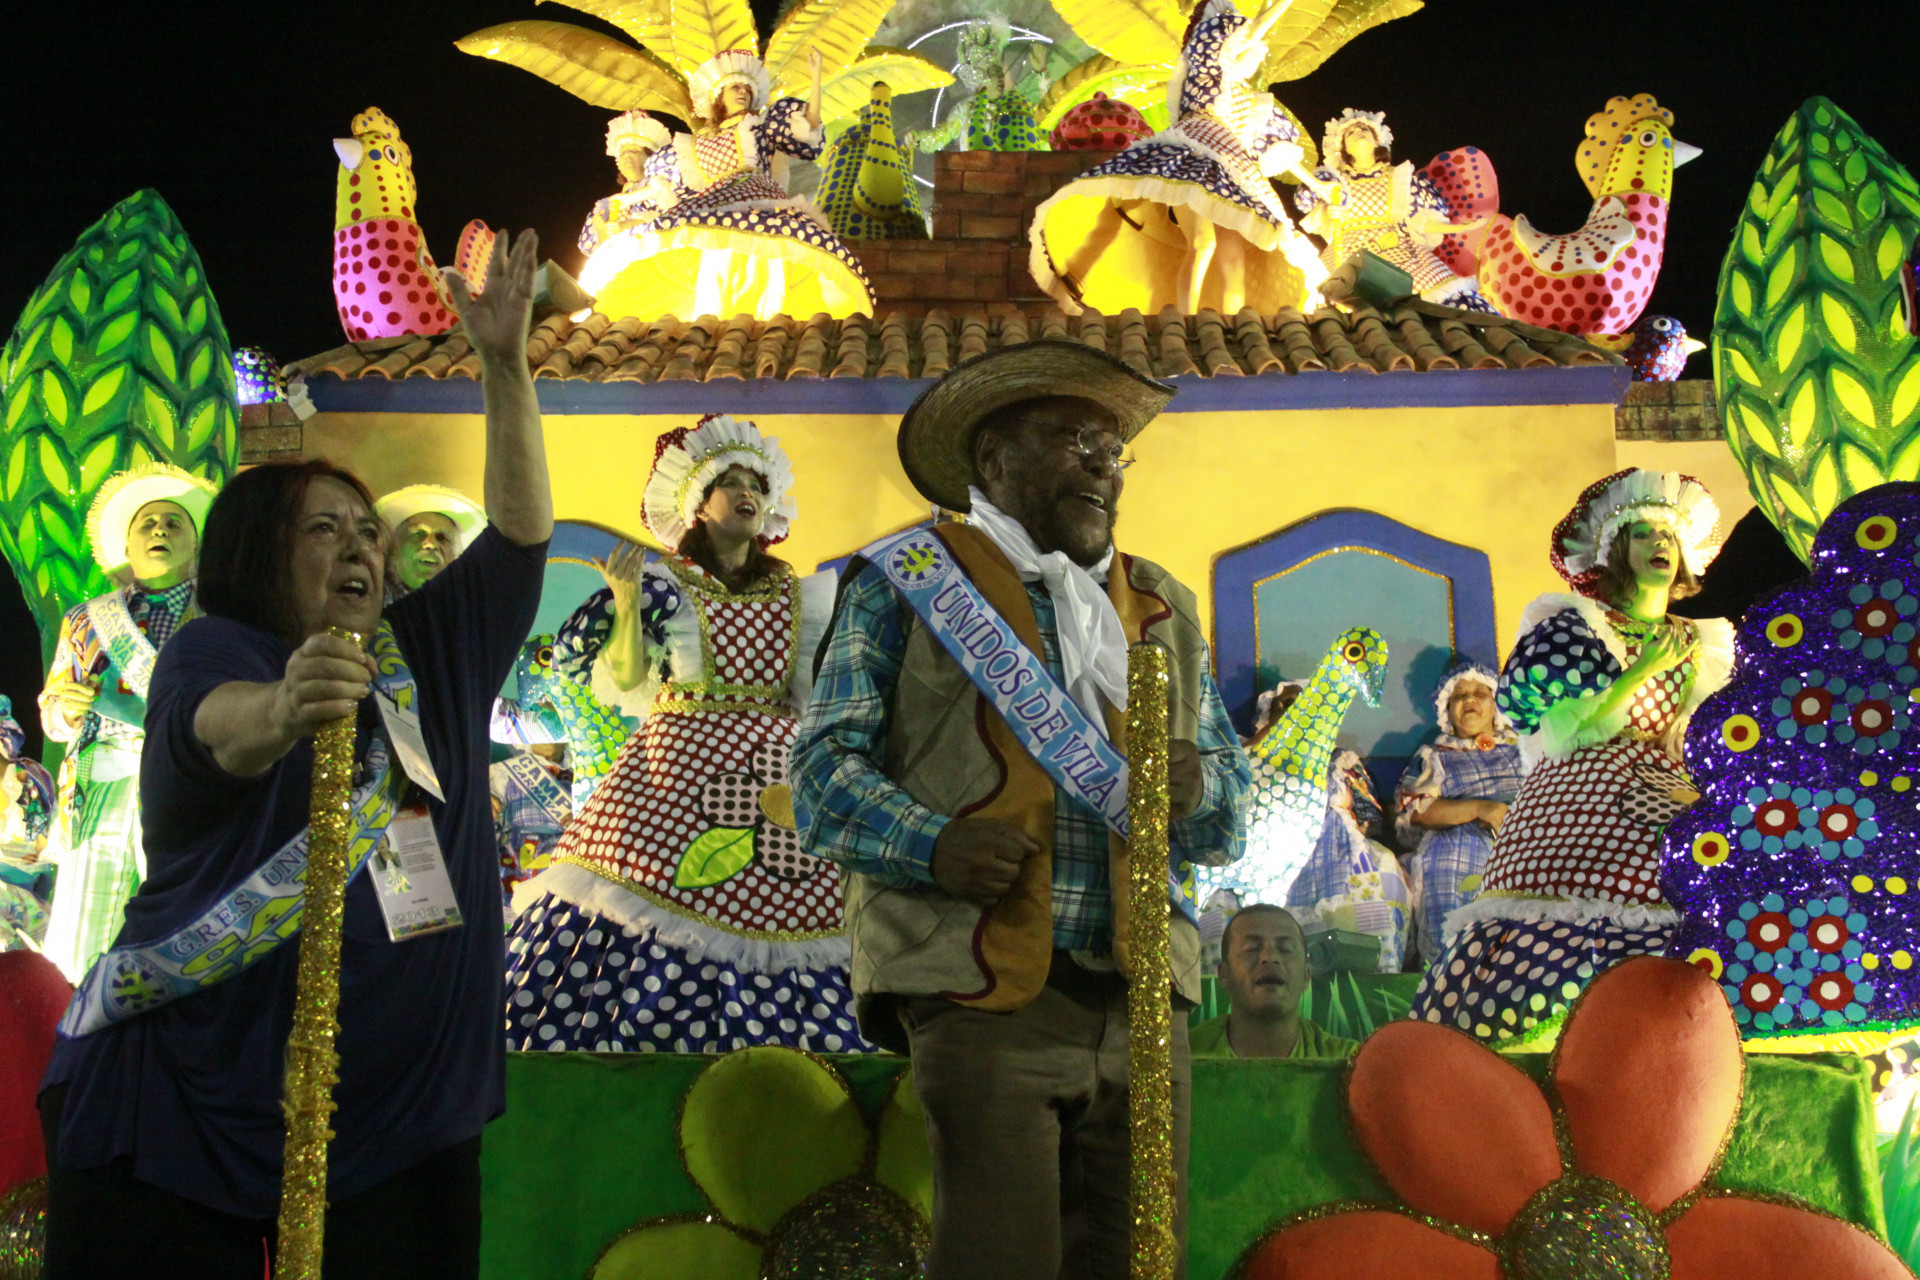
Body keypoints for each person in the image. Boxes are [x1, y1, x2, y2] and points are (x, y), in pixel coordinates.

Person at [38, 229, 551, 1280]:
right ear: (256, 552)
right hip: (185, 1092)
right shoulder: (219, 646)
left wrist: (506, 368)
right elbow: (213, 726)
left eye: (367, 530)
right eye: (327, 529)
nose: (362, 545)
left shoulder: (431, 652)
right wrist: (284, 703)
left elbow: (519, 530)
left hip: (406, 1108)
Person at [794, 339, 1251, 1279]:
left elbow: (1231, 811)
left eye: (1111, 447)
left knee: (1139, 1265)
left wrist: (1198, 783)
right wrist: (935, 844)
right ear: (993, 460)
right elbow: (821, 775)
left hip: (1143, 996)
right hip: (981, 988)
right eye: (1070, 437)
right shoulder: (905, 580)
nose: (1099, 462)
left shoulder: (1160, 603)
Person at [502, 413, 855, 1053]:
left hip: (777, 772)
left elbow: (815, 690)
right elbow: (625, 673)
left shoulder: (797, 594)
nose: (748, 493)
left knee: (798, 901)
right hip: (677, 760)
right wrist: (626, 598)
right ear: (697, 501)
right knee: (640, 891)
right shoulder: (668, 584)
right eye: (731, 481)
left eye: (757, 482)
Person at [1410, 469, 1732, 1045]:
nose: (1658, 544)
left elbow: (1701, 729)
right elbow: (1562, 733)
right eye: (1642, 534)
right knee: (1552, 928)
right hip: (1578, 800)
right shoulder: (1577, 627)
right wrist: (1641, 672)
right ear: (1615, 551)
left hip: (1666, 800)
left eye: (1667, 534)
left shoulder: (1699, 640)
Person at [1029, 0, 1328, 317]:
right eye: (1239, 41)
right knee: (1202, 243)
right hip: (1195, 155)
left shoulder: (1250, 103)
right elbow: (1232, 37)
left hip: (1234, 172)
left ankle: (1234, 329)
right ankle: (1188, 323)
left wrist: (1316, 185)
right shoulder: (1204, 76)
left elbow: (1275, 148)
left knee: (1234, 259)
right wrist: (1255, 21)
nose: (1249, 49)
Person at [36, 464, 217, 983]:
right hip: (102, 782)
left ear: (196, 543)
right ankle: (74, 1044)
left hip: (186, 782)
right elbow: (52, 719)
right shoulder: (86, 620)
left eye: (173, 522)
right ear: (127, 545)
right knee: (79, 937)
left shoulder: (221, 617)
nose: (159, 529)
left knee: (181, 922)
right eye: (148, 522)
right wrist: (68, 707)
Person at [577, 47, 874, 321]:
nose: (742, 93)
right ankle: (715, 330)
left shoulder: (762, 126)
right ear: (719, 95)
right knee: (716, 272)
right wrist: (625, 210)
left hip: (761, 205)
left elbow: (806, 128)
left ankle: (761, 329)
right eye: (735, 87)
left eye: (746, 88)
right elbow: (661, 190)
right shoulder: (692, 145)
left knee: (765, 270)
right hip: (711, 208)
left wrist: (816, 78)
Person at [1393, 660, 1528, 966]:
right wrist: (1482, 808)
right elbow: (1414, 812)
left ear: (1495, 705)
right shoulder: (1436, 756)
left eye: (1480, 692)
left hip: (1528, 844)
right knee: (1452, 858)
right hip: (1463, 845)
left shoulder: (1526, 750)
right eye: (1460, 695)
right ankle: (1452, 975)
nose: (1470, 699)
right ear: (1447, 710)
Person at [1292, 109, 1494, 311]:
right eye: (1351, 133)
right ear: (1343, 147)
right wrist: (1327, 211)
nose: (1359, 132)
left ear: (1378, 141)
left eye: (1365, 129)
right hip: (1348, 256)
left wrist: (1458, 229)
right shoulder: (1334, 179)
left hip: (1399, 252)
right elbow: (1303, 200)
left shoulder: (1399, 178)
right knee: (1344, 310)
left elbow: (1417, 221)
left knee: (1439, 299)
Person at [1284, 747, 1412, 972]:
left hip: (1355, 852)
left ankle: (1379, 974)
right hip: (1296, 845)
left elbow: (1368, 817)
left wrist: (1349, 823)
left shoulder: (1345, 764)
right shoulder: (1281, 764)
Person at [1189, 905, 1358, 1058]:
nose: (1270, 958)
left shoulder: (1350, 1061)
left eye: (1286, 949)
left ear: (1306, 976)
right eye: (1251, 948)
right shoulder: (1184, 1058)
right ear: (1224, 975)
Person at [375, 483, 488, 596]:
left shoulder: (469, 604)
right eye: (418, 534)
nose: (431, 544)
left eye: (442, 538)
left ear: (455, 556)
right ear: (394, 548)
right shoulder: (373, 599)